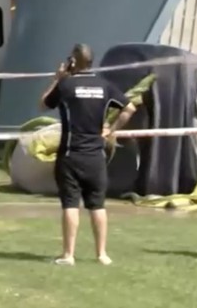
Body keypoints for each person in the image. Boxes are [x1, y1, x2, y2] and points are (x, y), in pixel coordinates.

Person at [40, 43, 137, 266]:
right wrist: (111, 130)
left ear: (73, 61)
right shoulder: (104, 86)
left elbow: (43, 104)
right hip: (96, 157)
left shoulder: (66, 85)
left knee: (70, 204)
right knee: (97, 205)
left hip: (70, 155)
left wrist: (57, 78)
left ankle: (68, 255)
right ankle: (102, 254)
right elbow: (130, 108)